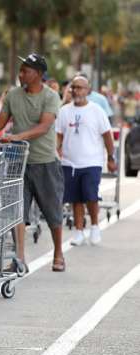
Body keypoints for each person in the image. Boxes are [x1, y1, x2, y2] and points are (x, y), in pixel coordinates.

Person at [0, 53, 63, 273]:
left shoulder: (51, 96)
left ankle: (58, 253)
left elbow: (44, 126)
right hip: (17, 162)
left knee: (52, 211)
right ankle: (19, 258)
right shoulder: (13, 95)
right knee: (16, 211)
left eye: (26, 70)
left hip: (44, 161)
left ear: (38, 74)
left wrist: (17, 137)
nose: (21, 74)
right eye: (21, 69)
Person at [56, 76, 117, 246]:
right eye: (73, 87)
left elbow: (107, 135)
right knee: (75, 198)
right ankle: (78, 231)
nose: (76, 91)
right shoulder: (64, 111)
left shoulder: (96, 111)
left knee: (90, 196)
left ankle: (95, 226)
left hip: (92, 162)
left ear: (88, 90)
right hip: (69, 162)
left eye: (80, 87)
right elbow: (59, 134)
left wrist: (111, 158)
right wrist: (56, 151)